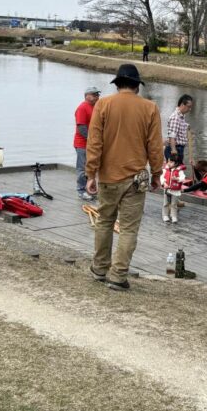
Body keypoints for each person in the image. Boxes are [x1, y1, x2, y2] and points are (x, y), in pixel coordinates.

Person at [85, 64, 162, 291]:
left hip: (108, 176)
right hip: (136, 178)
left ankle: (99, 268)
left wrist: (91, 173)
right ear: (137, 85)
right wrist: (157, 173)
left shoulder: (103, 104)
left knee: (104, 221)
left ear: (117, 84)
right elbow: (155, 146)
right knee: (128, 228)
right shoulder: (150, 108)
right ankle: (118, 276)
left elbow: (94, 143)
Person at [74, 86, 101, 201]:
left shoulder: (96, 107)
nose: (97, 97)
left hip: (92, 144)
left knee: (92, 167)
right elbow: (81, 127)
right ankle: (81, 190)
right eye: (94, 95)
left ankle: (90, 189)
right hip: (82, 144)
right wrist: (91, 140)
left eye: (97, 95)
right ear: (87, 96)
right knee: (82, 168)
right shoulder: (82, 107)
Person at [165, 94, 193, 163]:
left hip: (179, 149)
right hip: (175, 149)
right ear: (182, 105)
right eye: (188, 107)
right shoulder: (175, 117)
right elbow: (172, 136)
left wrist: (187, 127)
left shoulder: (181, 116)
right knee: (174, 171)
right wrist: (174, 151)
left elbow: (179, 127)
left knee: (178, 170)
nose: (190, 109)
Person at [160, 154, 186, 224]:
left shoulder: (179, 171)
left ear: (176, 163)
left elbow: (183, 178)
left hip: (175, 190)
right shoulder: (165, 169)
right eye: (168, 161)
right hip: (167, 189)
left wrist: (177, 178)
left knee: (174, 204)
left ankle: (173, 216)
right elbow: (162, 177)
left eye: (171, 162)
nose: (169, 163)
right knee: (166, 203)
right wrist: (164, 183)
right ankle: (165, 215)